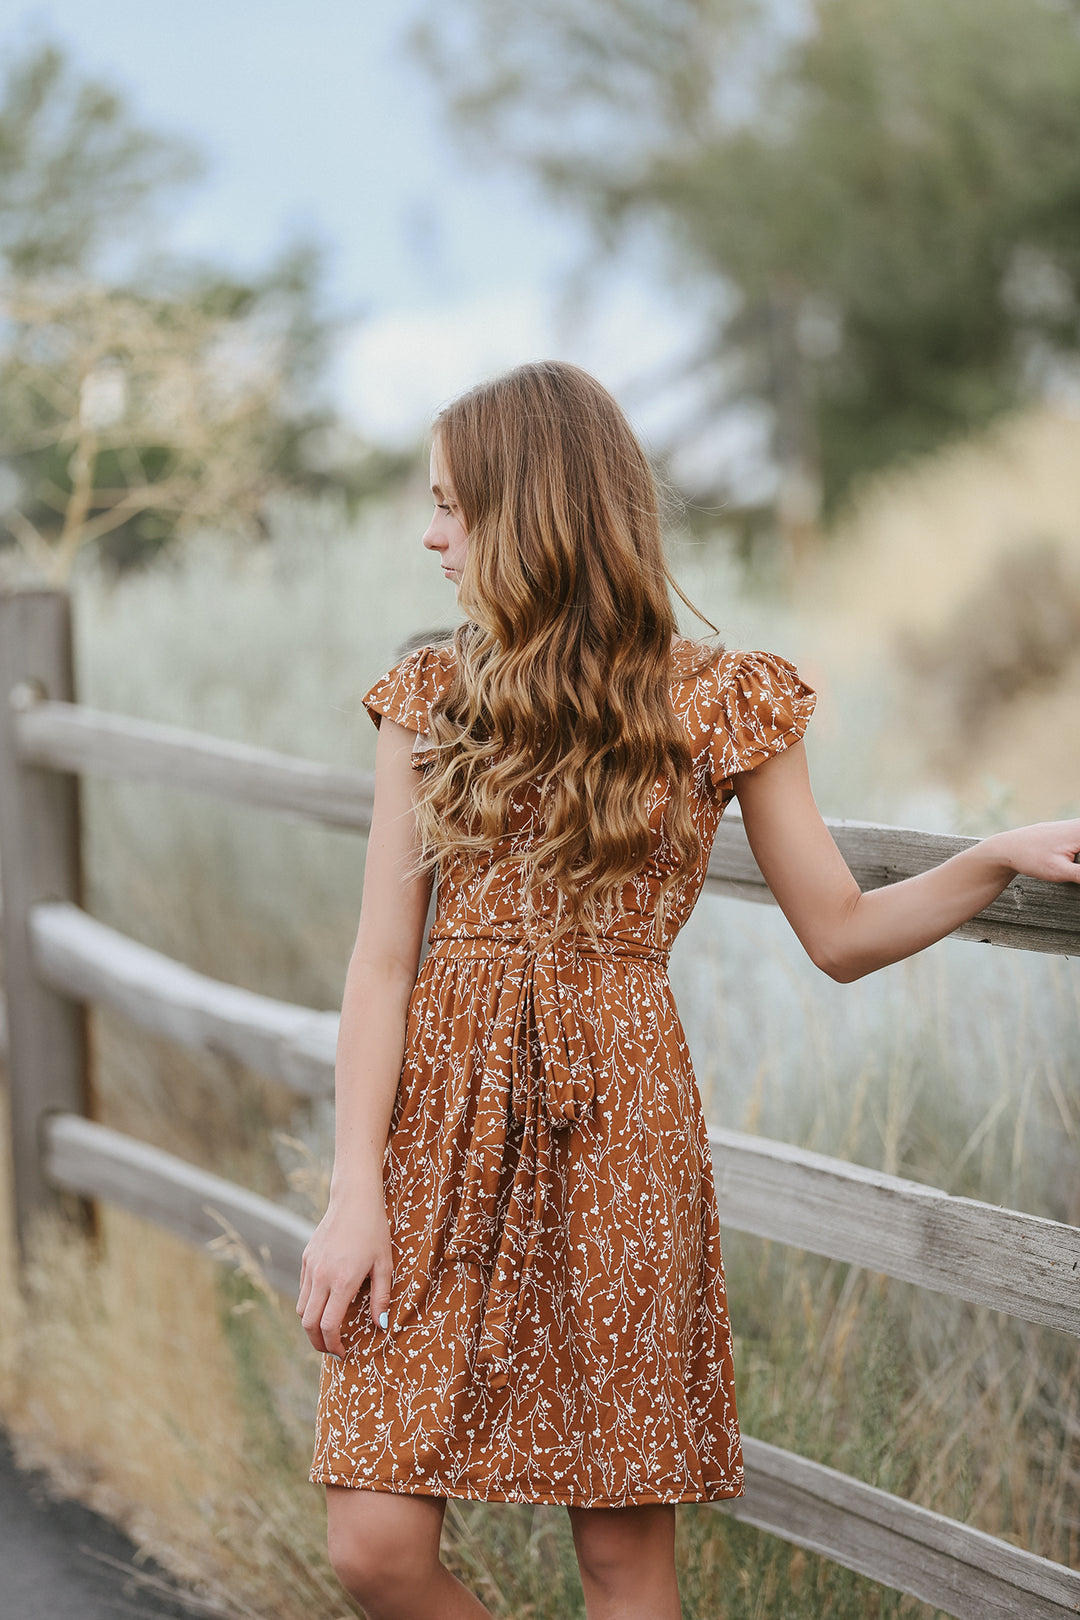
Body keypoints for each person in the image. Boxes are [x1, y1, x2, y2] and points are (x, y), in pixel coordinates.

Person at [296, 360, 1080, 1620]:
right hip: (434, 1138)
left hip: (619, 1133)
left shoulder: (721, 699)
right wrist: (352, 1194)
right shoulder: (430, 696)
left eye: (453, 503)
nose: (429, 533)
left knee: (621, 1559)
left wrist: (987, 857)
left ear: (534, 509)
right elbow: (383, 961)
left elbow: (839, 929)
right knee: (375, 1548)